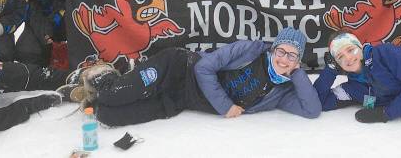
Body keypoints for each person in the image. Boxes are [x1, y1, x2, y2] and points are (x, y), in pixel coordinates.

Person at [69, 28, 320, 126]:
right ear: (272, 49)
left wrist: (297, 74)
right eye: (281, 51)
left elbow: (311, 110)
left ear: (298, 61)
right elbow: (203, 69)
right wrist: (226, 106)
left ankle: (94, 98)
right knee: (114, 95)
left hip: (181, 100)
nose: (284, 59)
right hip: (179, 68)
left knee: (108, 115)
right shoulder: (250, 49)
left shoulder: (281, 93)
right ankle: (103, 75)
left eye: (292, 56)